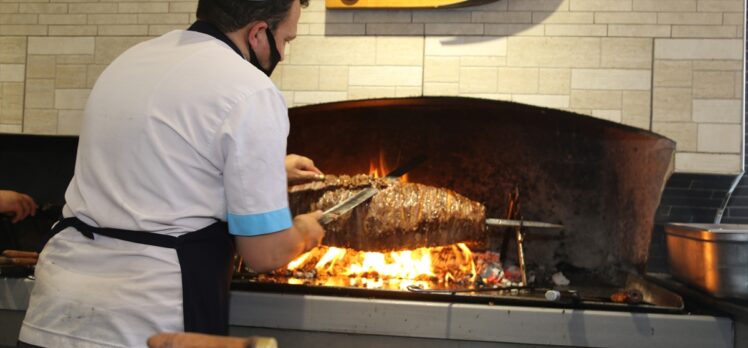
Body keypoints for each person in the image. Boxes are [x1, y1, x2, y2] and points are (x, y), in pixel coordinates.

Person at [19, 0, 323, 347]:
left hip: (54, 310)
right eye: (286, 40)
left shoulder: (131, 60)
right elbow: (263, 253)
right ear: (257, 33)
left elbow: (157, 163)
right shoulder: (251, 89)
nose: (283, 54)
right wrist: (305, 231)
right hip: (148, 322)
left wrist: (272, 171)